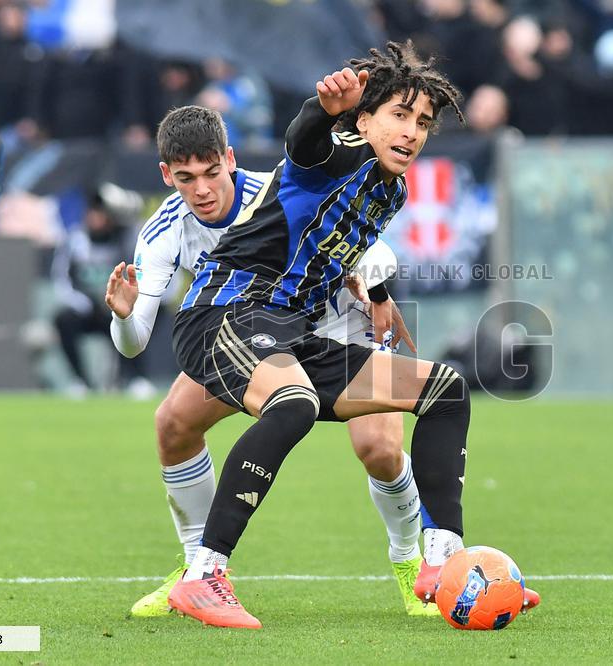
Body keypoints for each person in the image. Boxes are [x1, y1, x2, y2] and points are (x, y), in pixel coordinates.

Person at [167, 41, 539, 629]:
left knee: (444, 390)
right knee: (291, 405)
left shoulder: (391, 190)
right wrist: (321, 109)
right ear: (363, 120)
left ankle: (443, 559)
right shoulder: (339, 150)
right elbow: (303, 147)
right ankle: (202, 574)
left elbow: (338, 246)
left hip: (291, 333)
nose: (412, 132)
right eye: (398, 115)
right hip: (224, 315)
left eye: (422, 122)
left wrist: (382, 292)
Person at [104, 106, 435, 617]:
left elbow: (376, 247)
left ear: (230, 160)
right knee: (173, 422)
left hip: (339, 318)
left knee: (380, 449)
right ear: (167, 176)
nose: (203, 190)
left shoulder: (278, 186)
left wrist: (376, 286)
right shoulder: (164, 231)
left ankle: (410, 562)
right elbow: (132, 342)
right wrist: (124, 316)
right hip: (257, 331)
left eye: (213, 172)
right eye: (187, 179)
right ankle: (198, 572)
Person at [52, 191, 153, 397]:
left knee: (132, 319)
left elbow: (143, 274)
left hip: (118, 307)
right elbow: (61, 278)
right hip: (87, 308)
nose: (95, 218)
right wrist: (82, 302)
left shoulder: (128, 239)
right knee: (63, 319)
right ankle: (80, 381)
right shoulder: (75, 240)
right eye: (92, 212)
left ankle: (134, 379)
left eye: (101, 213)